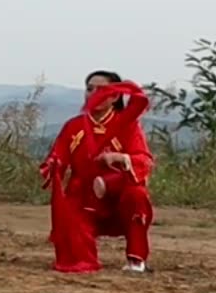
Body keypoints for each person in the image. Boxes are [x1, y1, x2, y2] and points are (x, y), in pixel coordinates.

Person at [40, 70, 155, 274]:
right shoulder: (73, 127)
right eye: (89, 88)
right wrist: (52, 165)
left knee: (137, 196)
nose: (93, 93)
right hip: (83, 198)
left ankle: (136, 260)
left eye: (101, 90)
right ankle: (82, 258)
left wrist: (120, 158)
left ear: (115, 96)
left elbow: (144, 161)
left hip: (117, 197)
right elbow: (58, 155)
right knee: (75, 258)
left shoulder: (128, 126)